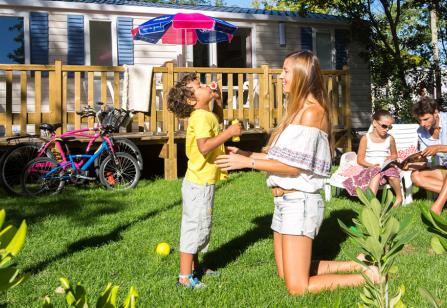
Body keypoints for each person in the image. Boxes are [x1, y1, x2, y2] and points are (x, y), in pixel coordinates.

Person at [215, 51, 379, 295]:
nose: (281, 77)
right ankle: (356, 265)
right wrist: (246, 153)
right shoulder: (297, 113)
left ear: (301, 75)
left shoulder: (313, 113)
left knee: (298, 288)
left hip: (299, 202)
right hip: (284, 200)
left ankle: (369, 278)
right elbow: (281, 159)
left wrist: (246, 163)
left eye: (285, 71)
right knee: (286, 274)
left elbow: (295, 167)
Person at [167, 73, 241, 288]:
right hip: (198, 183)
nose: (206, 85)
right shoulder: (199, 117)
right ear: (191, 100)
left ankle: (195, 268)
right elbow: (204, 146)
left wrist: (217, 100)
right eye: (199, 86)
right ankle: (184, 277)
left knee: (200, 224)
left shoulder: (205, 114)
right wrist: (229, 133)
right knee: (194, 226)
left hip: (202, 182)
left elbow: (217, 119)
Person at [342, 110, 403, 207]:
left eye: (389, 127)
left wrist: (391, 158)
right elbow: (360, 160)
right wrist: (371, 165)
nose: (386, 129)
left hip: (385, 166)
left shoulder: (390, 139)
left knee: (392, 174)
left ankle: (399, 198)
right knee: (376, 174)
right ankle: (372, 203)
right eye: (384, 126)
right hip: (369, 167)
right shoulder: (366, 138)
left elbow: (395, 154)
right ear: (374, 123)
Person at [410, 97, 447, 215]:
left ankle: (436, 208)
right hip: (445, 169)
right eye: (420, 120)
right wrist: (413, 163)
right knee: (416, 176)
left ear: (436, 112)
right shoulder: (421, 131)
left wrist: (438, 148)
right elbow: (425, 159)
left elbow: (436, 149)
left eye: (426, 119)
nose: (423, 124)